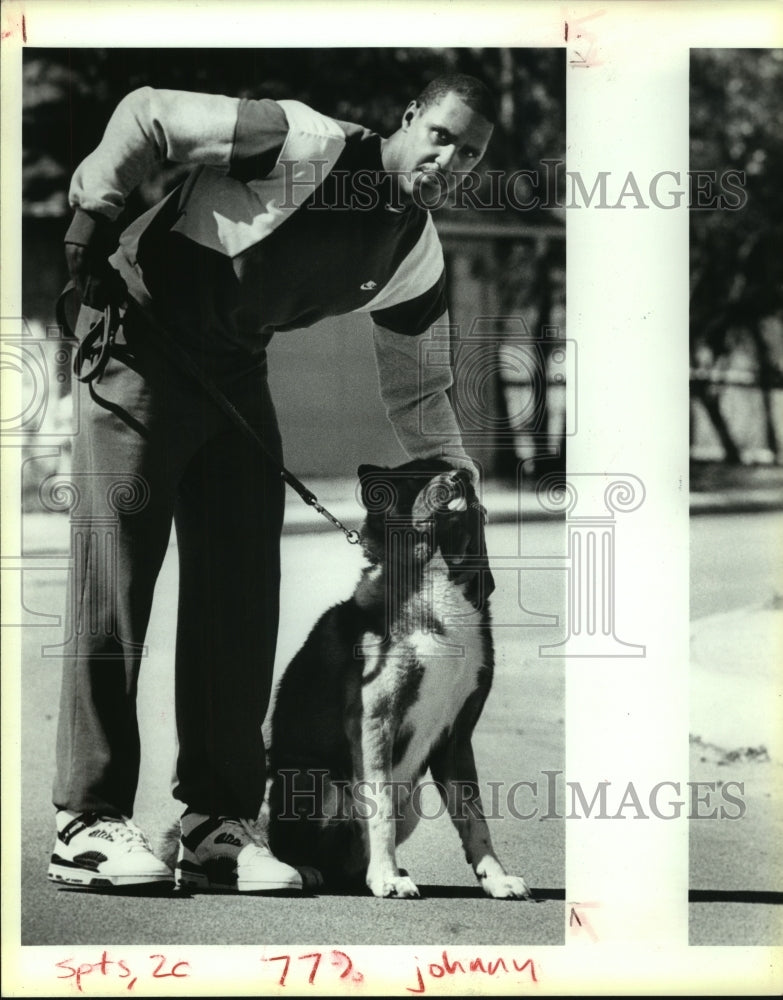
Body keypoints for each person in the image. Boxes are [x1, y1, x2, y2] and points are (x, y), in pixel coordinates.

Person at [49, 73, 496, 893]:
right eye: (441, 134)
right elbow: (148, 113)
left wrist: (460, 490)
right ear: (407, 118)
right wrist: (91, 220)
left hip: (233, 377)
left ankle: (214, 818)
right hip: (138, 341)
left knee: (242, 587)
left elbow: (419, 392)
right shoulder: (302, 141)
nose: (450, 159)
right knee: (117, 578)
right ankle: (86, 819)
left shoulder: (415, 251)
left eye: (469, 152)